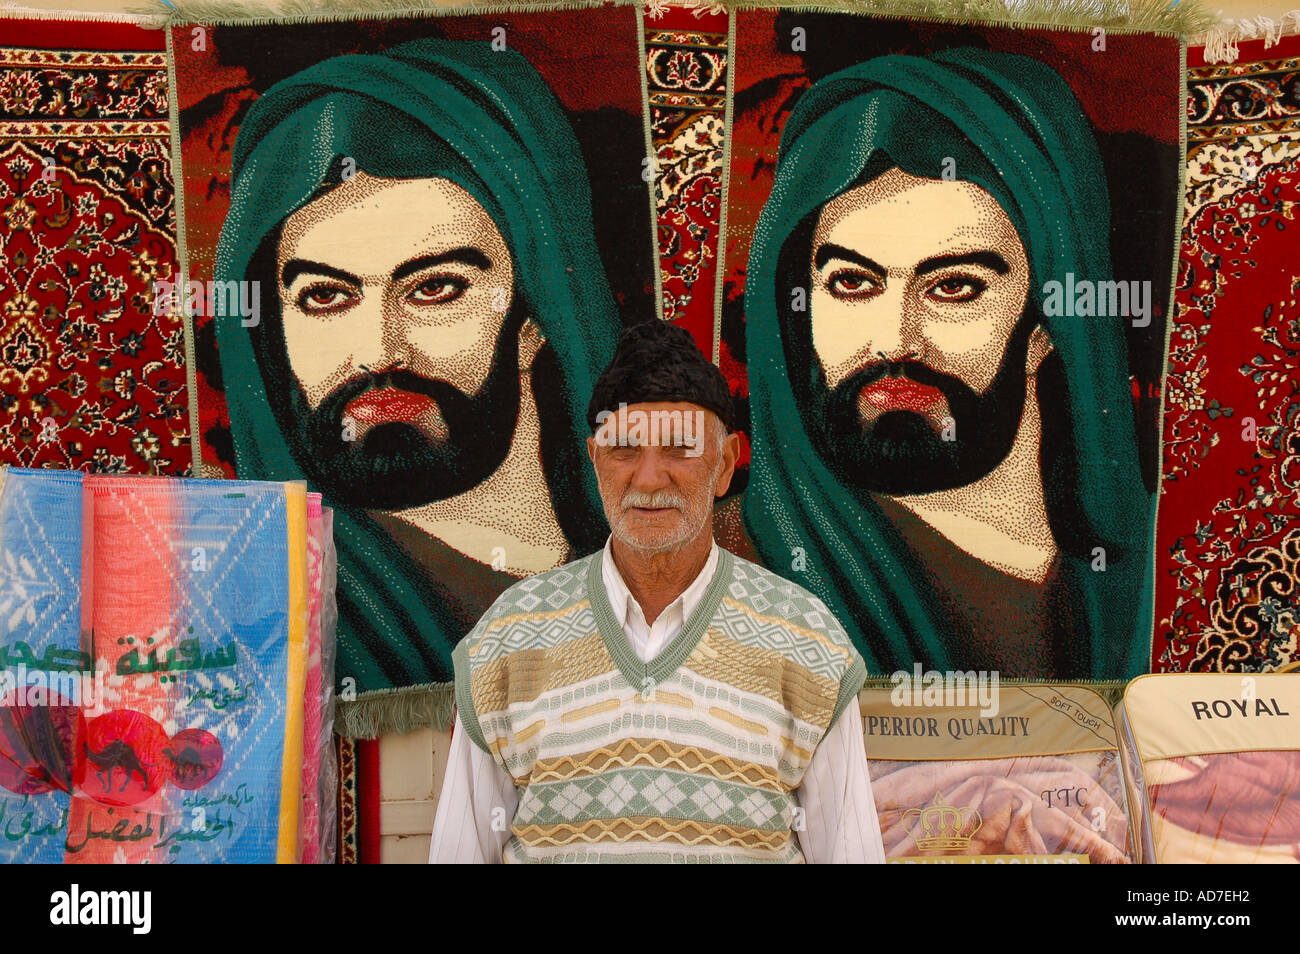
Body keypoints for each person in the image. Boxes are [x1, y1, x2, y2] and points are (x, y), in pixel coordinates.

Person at [716, 48, 1155, 679]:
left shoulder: (1150, 582)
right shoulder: (725, 577)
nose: (894, 340)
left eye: (954, 288)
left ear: (1049, 324)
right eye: (851, 284)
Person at [211, 38, 622, 696]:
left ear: (537, 314)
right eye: (324, 297)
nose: (377, 350)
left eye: (435, 289)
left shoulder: (673, 570)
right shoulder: (256, 619)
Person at [430, 320, 882, 863]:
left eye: (679, 450)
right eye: (624, 450)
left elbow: (849, 852)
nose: (648, 478)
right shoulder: (510, 636)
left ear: (724, 465)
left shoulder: (807, 641)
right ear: (596, 462)